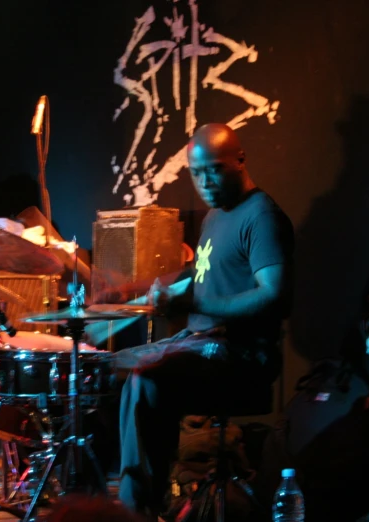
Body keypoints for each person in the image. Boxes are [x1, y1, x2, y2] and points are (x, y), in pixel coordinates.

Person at [115, 123, 294, 519]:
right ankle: (135, 502)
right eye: (196, 173)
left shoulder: (261, 216)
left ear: (240, 160)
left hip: (244, 356)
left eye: (213, 169)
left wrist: (198, 302)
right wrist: (128, 289)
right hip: (204, 343)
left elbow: (274, 295)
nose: (204, 182)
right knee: (118, 365)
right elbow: (197, 274)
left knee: (148, 379)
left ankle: (140, 512)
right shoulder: (216, 216)